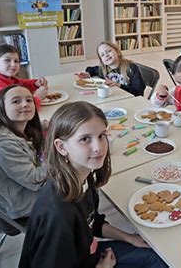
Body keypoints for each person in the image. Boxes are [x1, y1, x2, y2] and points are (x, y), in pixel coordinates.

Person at [19, 102, 167, 268]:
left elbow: (92, 222)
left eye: (101, 136)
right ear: (61, 147)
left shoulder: (83, 174)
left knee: (158, 256)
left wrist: (129, 237)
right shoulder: (58, 214)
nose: (98, 148)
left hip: (87, 254)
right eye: (85, 139)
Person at [0, 85, 46, 220]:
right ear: (2, 108)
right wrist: (59, 159)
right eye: (16, 101)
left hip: (19, 190)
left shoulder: (20, 129)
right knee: (77, 185)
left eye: (29, 100)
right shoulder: (2, 145)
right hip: (20, 204)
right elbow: (36, 181)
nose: (25, 105)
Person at [0, 44, 48, 126]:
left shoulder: (6, 77)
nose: (13, 64)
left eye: (16, 61)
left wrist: (34, 83)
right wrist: (38, 97)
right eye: (7, 60)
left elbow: (21, 83)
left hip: (5, 124)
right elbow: (18, 113)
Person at [75, 41, 145, 97]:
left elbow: (139, 92)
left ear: (118, 52)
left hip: (129, 100)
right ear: (102, 61)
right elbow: (91, 69)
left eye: (108, 51)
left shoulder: (131, 68)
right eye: (102, 55)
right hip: (113, 97)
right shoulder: (104, 69)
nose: (106, 55)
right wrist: (88, 74)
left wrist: (119, 85)